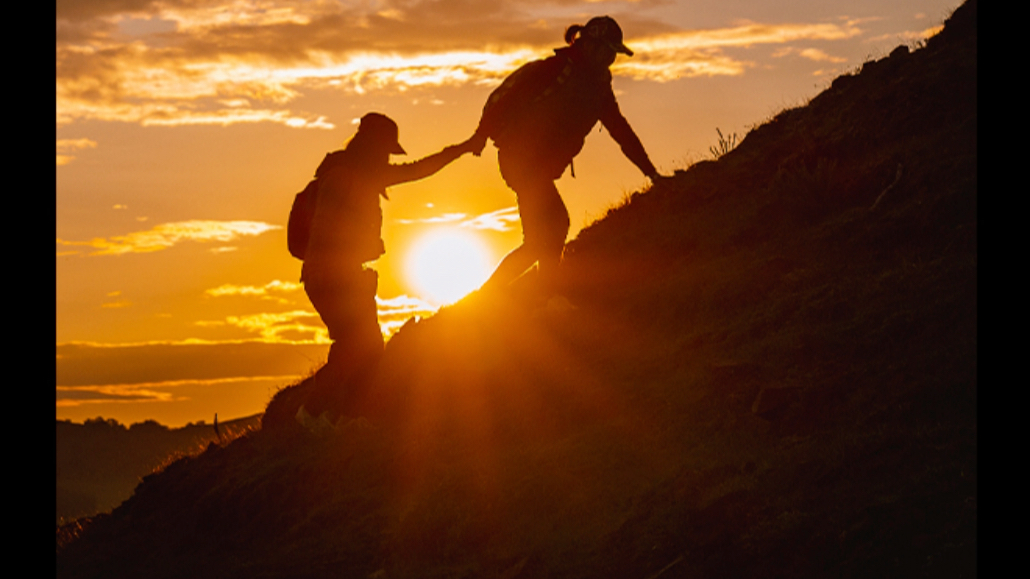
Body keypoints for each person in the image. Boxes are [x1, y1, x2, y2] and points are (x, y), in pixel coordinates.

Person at [468, 15, 668, 298]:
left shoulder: (599, 88)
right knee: (553, 226)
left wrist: (652, 173)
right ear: (591, 46)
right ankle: (513, 298)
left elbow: (620, 130)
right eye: (608, 51)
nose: (611, 58)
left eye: (614, 53)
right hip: (520, 160)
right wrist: (480, 135)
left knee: (543, 238)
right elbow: (505, 100)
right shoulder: (555, 69)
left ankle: (532, 298)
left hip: (536, 166)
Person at [300, 112, 476, 422]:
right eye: (384, 149)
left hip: (336, 275)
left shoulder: (358, 174)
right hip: (335, 277)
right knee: (360, 344)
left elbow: (420, 170)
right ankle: (312, 413)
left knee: (364, 345)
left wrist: (461, 149)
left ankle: (349, 417)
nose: (387, 156)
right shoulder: (346, 177)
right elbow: (327, 233)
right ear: (371, 146)